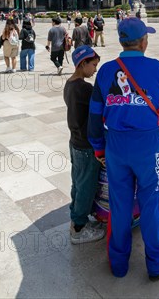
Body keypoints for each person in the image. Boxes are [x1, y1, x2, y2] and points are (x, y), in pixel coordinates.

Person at [88, 17, 159, 280]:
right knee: (151, 202)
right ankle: (157, 263)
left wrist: (98, 147)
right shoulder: (156, 67)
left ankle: (118, 263)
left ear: (122, 41)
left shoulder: (105, 71)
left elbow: (94, 114)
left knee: (120, 203)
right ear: (144, 41)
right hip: (148, 145)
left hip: (115, 145)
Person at [63, 45, 105, 245]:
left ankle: (76, 217)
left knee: (78, 183)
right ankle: (78, 229)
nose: (95, 69)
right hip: (86, 145)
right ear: (83, 63)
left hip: (75, 142)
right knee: (86, 186)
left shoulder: (69, 84)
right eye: (93, 65)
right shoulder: (85, 88)